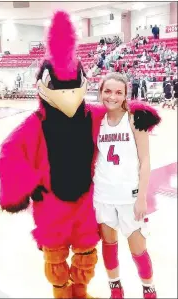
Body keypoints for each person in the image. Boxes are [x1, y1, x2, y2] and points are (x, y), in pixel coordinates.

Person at [0, 11, 100, 299]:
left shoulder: (91, 116)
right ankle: (61, 293)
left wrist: (136, 114)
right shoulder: (36, 123)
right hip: (51, 201)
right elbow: (10, 151)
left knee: (86, 251)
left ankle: (80, 291)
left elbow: (115, 117)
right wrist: (23, 185)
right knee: (55, 257)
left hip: (84, 203)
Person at [93, 73, 161, 299]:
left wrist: (142, 197)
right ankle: (116, 290)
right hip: (103, 195)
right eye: (108, 91)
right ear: (101, 91)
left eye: (118, 92)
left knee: (138, 249)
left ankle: (149, 289)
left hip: (129, 197)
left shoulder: (134, 119)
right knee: (109, 245)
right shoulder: (95, 120)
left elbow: (146, 160)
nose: (112, 96)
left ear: (125, 96)